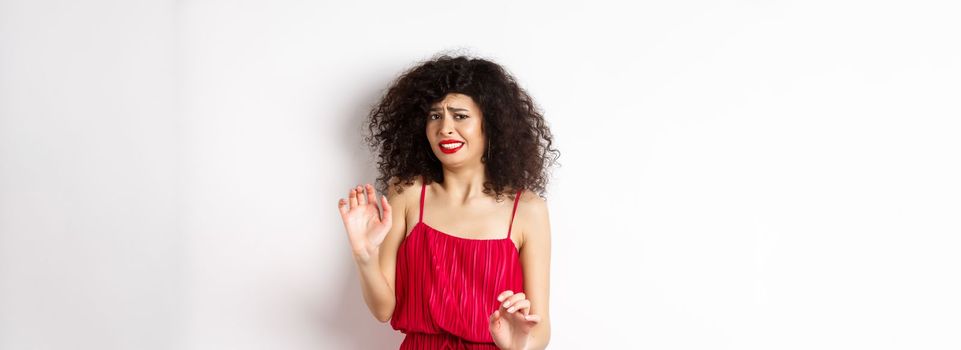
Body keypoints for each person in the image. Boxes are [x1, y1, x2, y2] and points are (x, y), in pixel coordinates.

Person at [337, 54, 559, 349]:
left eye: (460, 115)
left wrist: (518, 345)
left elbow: (540, 329)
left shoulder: (527, 210)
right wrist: (365, 256)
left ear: (490, 125)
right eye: (434, 115)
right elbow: (383, 309)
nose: (444, 128)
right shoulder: (408, 193)